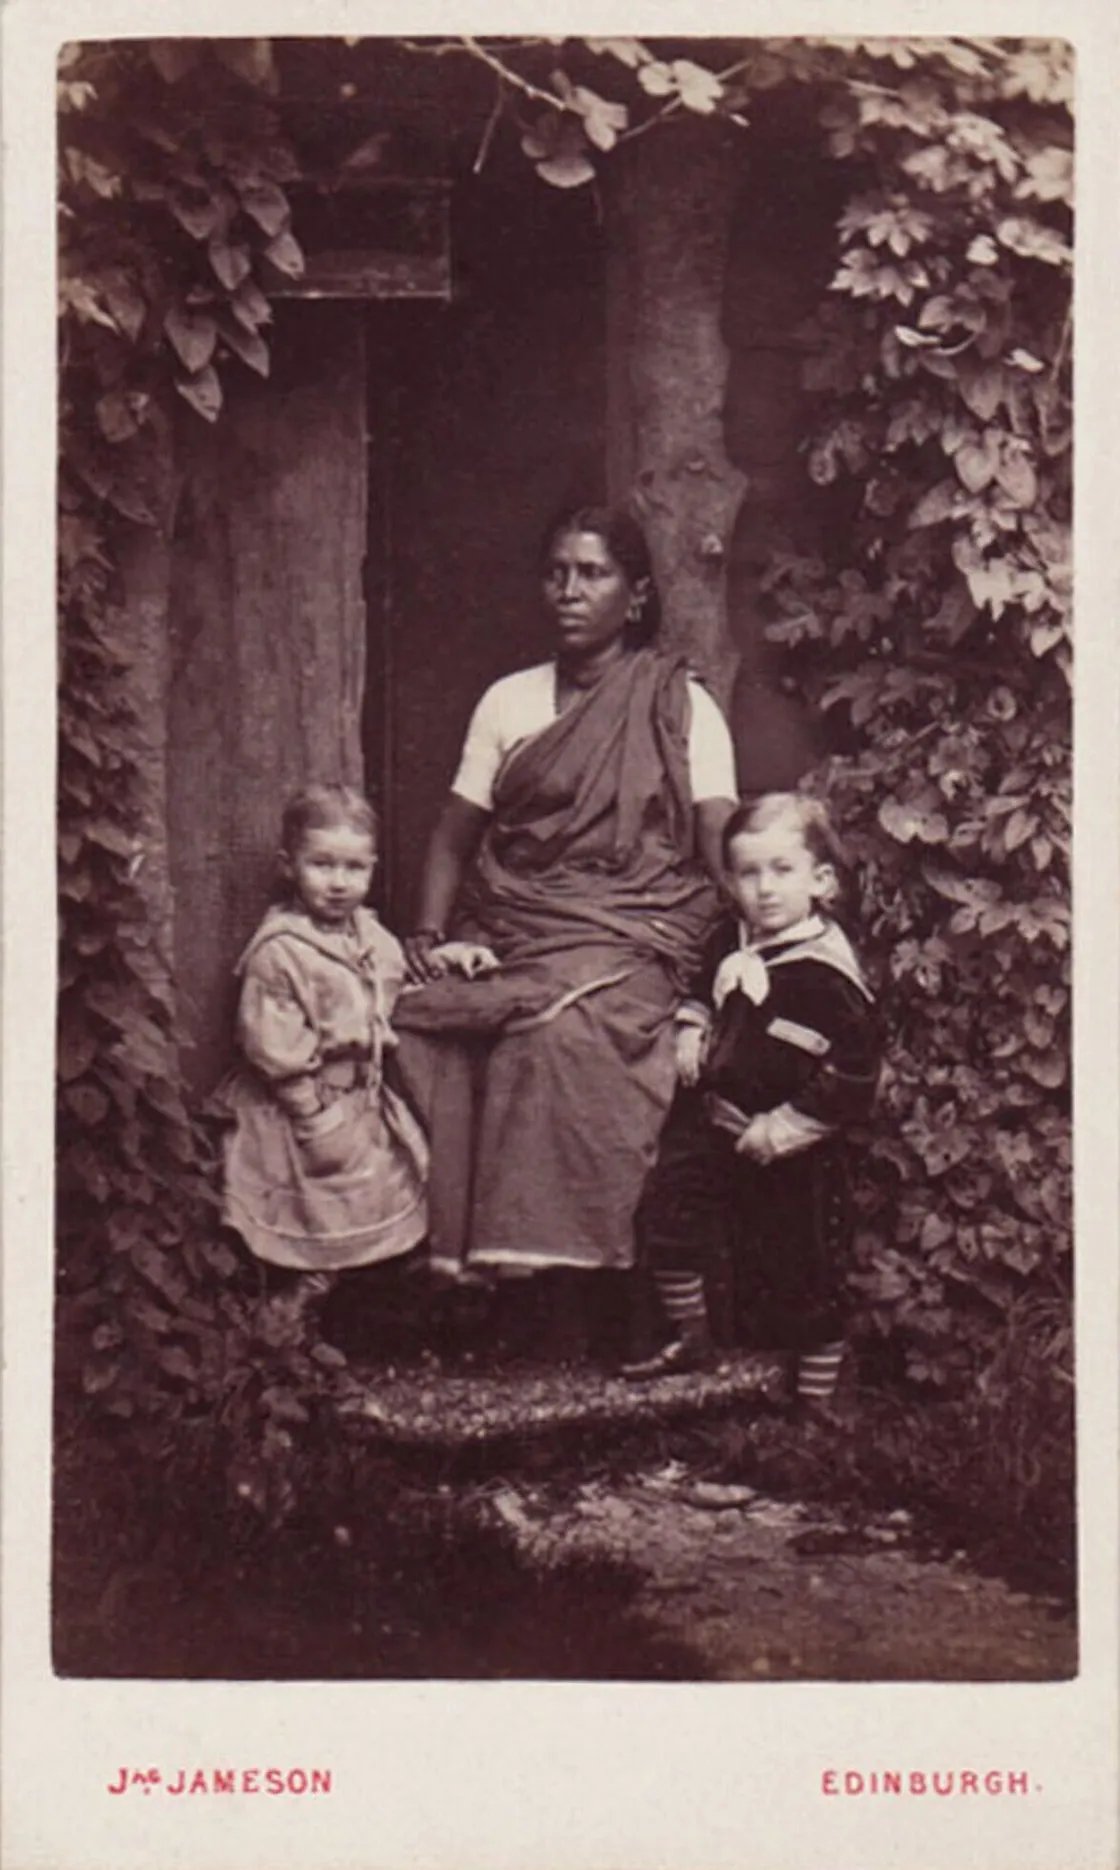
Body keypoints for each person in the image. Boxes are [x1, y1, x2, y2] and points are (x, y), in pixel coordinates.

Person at [393, 503, 737, 1336]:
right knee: (419, 1021)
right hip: (516, 926)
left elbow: (720, 846)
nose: (569, 591)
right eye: (557, 572)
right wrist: (431, 940)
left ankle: (539, 1283)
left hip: (636, 935)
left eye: (593, 573)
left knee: (556, 1034)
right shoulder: (508, 702)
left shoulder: (680, 706)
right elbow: (451, 838)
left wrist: (742, 957)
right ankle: (446, 1272)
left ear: (638, 593)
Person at [622, 792, 881, 1414]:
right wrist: (692, 1022)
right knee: (670, 1211)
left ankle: (817, 1403)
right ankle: (692, 1337)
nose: (764, 890)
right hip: (716, 1118)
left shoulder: (828, 977)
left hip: (790, 1143)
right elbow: (703, 981)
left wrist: (787, 1125)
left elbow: (854, 1070)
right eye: (748, 873)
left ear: (821, 881)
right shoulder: (732, 936)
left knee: (801, 1264)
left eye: (782, 871)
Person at [216, 784, 428, 1325]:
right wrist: (313, 1115)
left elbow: (392, 986)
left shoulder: (370, 935)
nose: (339, 882)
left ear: (373, 868)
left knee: (378, 1195)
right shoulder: (282, 951)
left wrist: (443, 961)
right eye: (322, 865)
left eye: (354, 868)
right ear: (290, 866)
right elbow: (272, 1042)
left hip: (361, 1098)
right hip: (302, 1108)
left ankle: (339, 1309)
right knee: (316, 1209)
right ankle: (288, 1312)